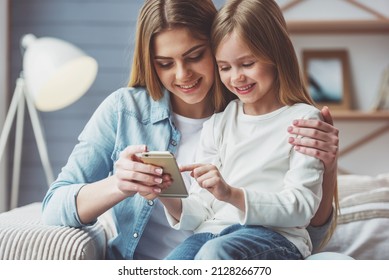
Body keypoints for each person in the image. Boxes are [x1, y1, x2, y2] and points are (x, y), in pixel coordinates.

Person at [41, 0, 338, 260]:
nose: (182, 75)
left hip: (232, 252)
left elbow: (307, 231)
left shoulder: (254, 107)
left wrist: (329, 166)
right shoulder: (126, 111)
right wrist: (121, 184)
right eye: (165, 63)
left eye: (195, 56)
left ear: (218, 42)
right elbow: (54, 207)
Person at [159, 0, 336, 260]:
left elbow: (301, 206)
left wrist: (232, 194)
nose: (236, 77)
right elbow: (202, 209)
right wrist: (166, 194)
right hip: (212, 233)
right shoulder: (218, 124)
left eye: (247, 63)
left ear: (275, 55)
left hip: (275, 237)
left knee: (214, 253)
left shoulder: (304, 120)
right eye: (225, 67)